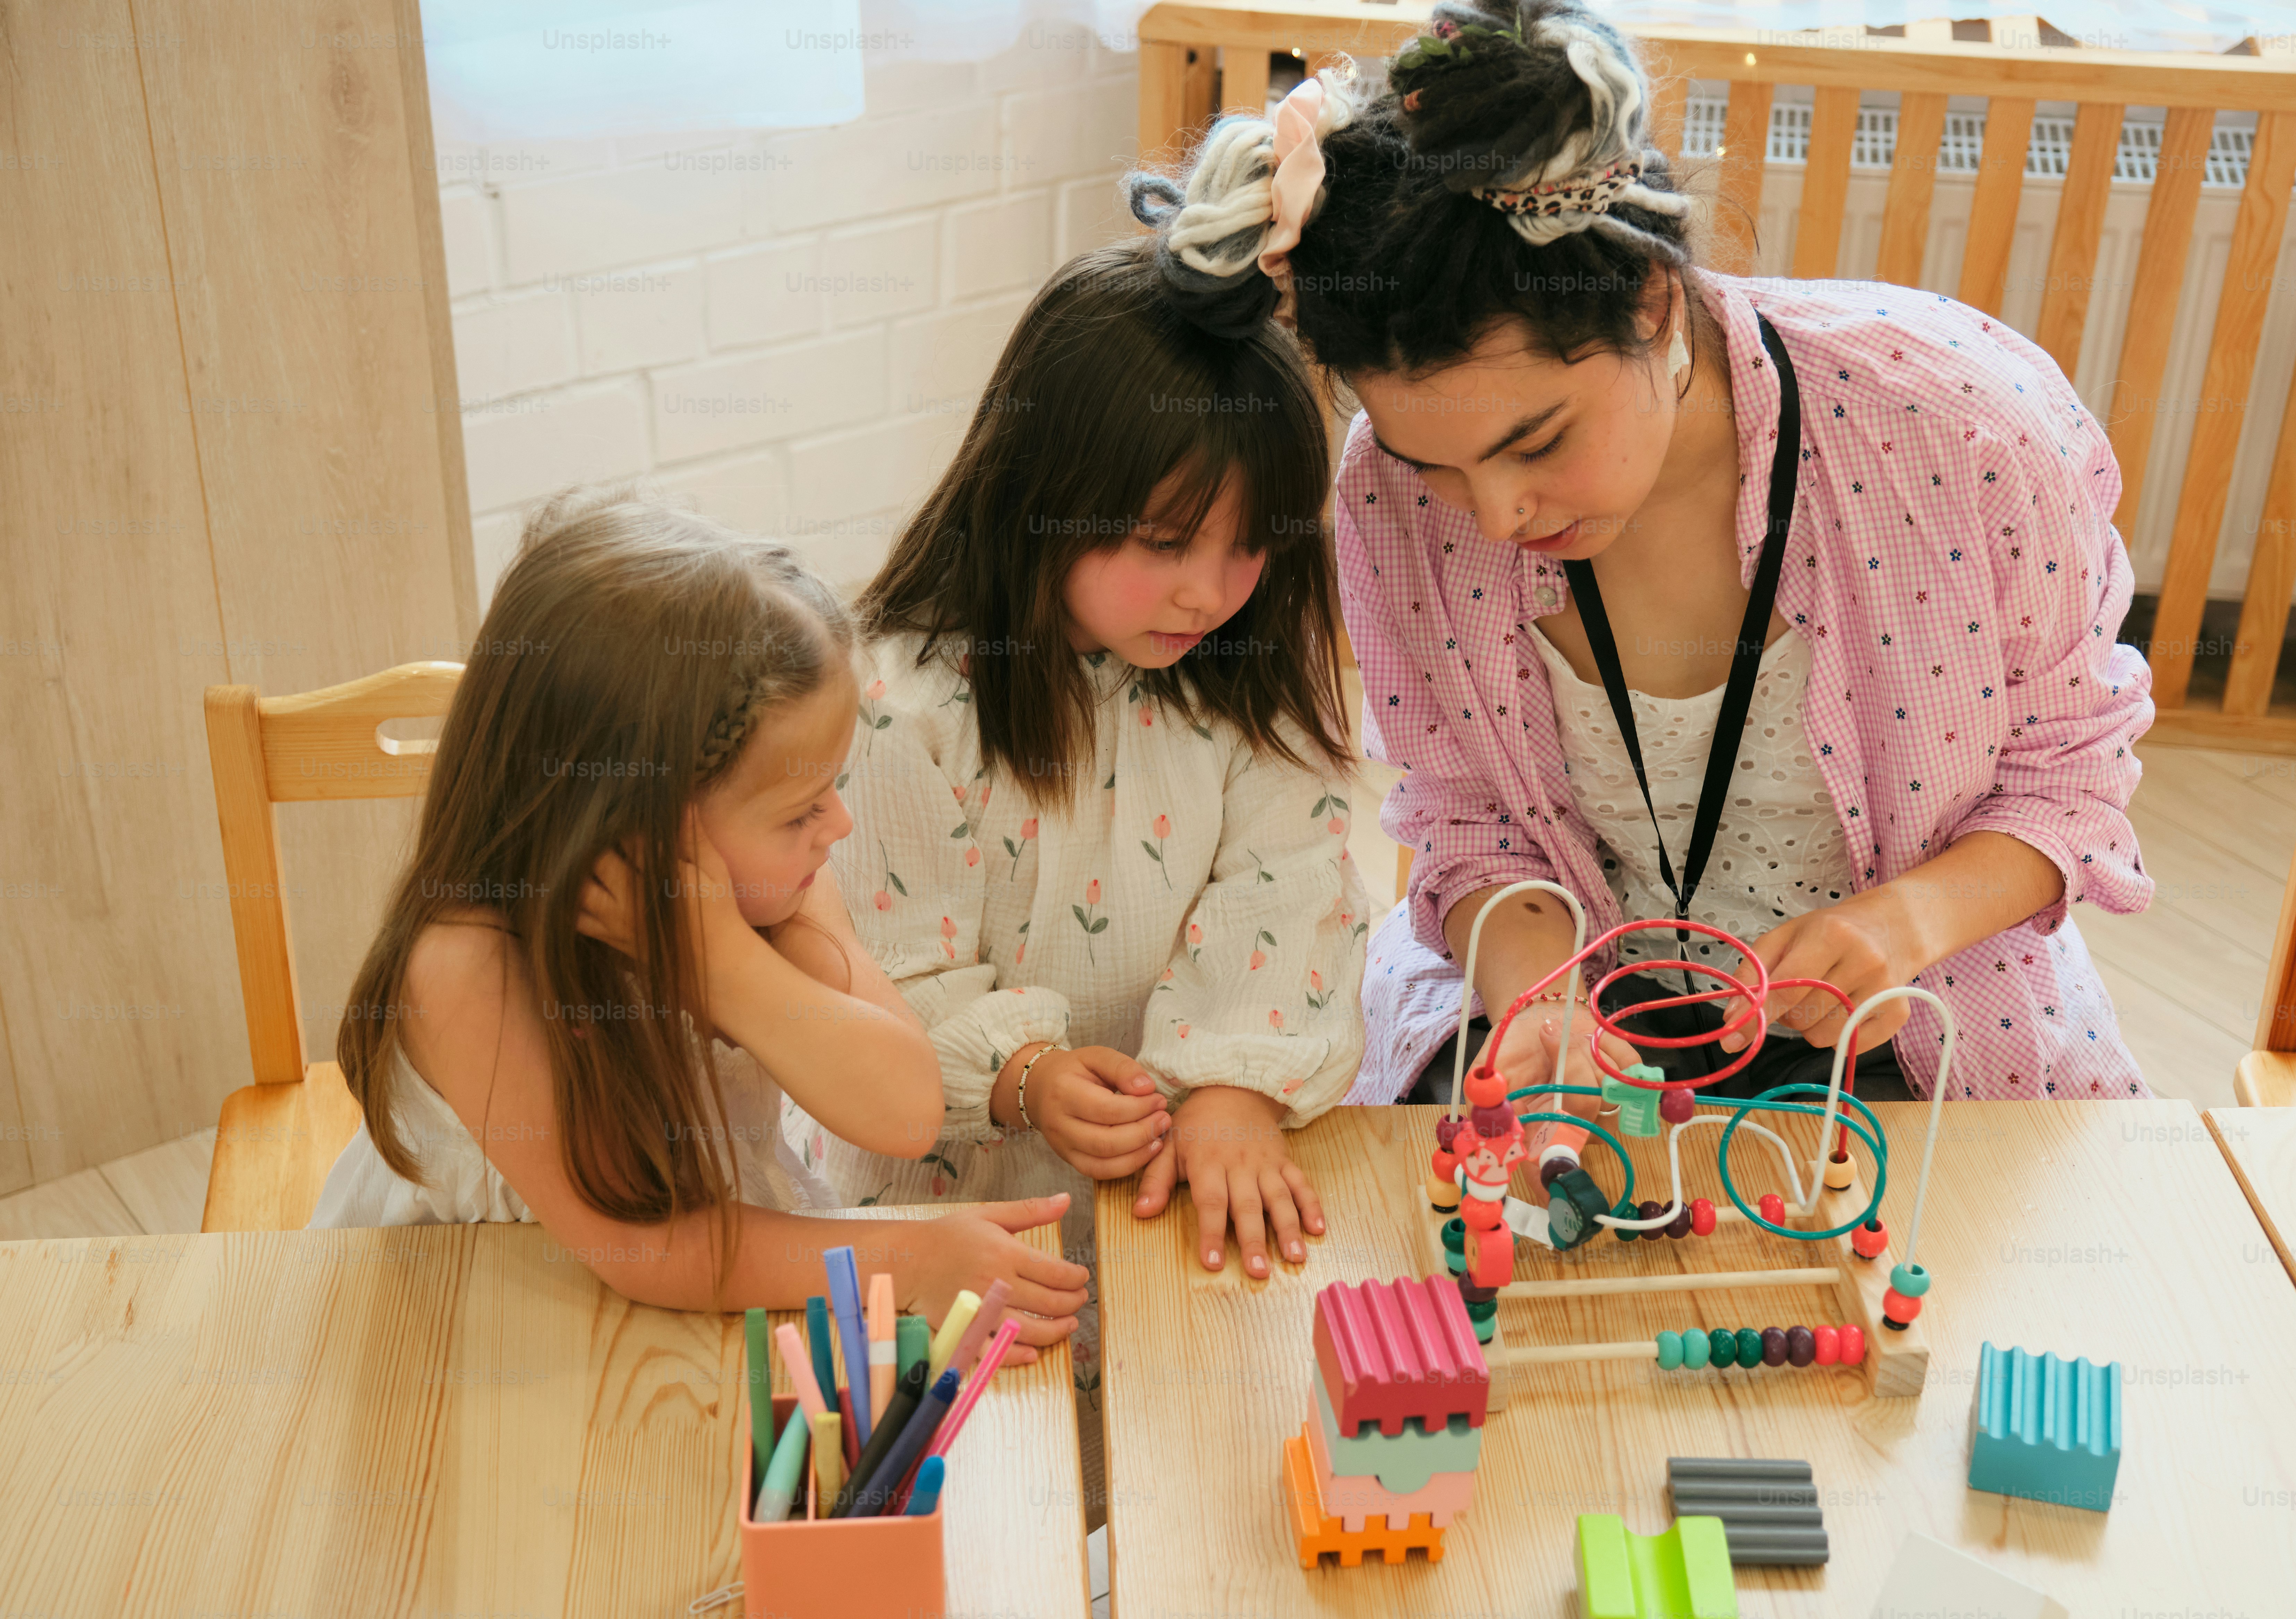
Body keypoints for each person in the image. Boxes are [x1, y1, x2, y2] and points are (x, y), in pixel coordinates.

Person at [1126, 0, 2158, 1131]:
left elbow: (2071, 775)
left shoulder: (1958, 428)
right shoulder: (1386, 492)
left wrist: (1901, 922)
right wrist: (1545, 999)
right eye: (1442, 467)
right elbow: (1467, 820)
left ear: (1655, 305)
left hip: (1919, 1020)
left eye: (1538, 441)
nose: (1499, 512)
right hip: (1566, 1036)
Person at [796, 236, 1372, 1519]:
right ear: (1038, 491)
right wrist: (1020, 1072)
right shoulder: (896, 706)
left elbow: (1292, 884)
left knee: (1193, 1503)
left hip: (1170, 1193)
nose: (1211, 592)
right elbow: (873, 977)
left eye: (1249, 548)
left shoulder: (1242, 677)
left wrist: (1233, 1086)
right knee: (978, 1508)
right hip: (952, 1212)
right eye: (1166, 541)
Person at [310, 485, 1089, 1362]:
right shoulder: (467, 971)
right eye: (800, 809)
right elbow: (646, 1246)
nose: (838, 826)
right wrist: (906, 1259)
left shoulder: (773, 896)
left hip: (708, 1290)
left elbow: (905, 1112)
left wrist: (718, 959)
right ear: (635, 830)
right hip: (479, 1318)